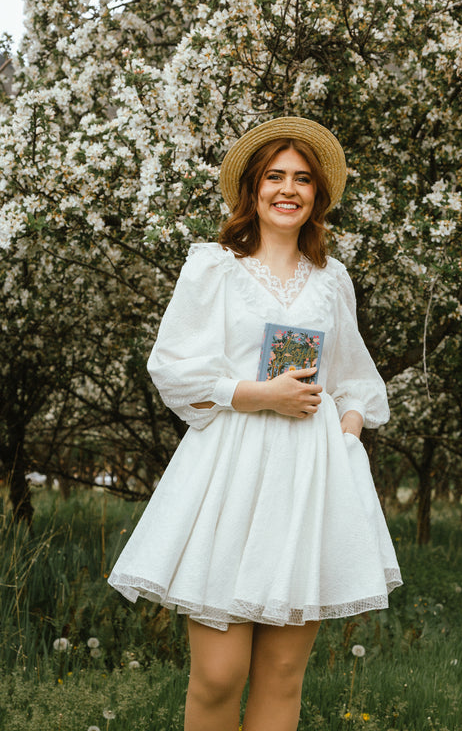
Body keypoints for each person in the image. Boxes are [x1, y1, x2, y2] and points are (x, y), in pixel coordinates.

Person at [108, 116, 402, 731]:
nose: (287, 189)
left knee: (281, 678)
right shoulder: (214, 267)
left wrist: (346, 436)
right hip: (231, 476)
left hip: (308, 482)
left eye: (301, 178)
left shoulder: (331, 279)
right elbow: (172, 367)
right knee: (218, 676)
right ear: (253, 189)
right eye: (274, 176)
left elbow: (356, 377)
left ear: (318, 195)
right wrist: (255, 393)